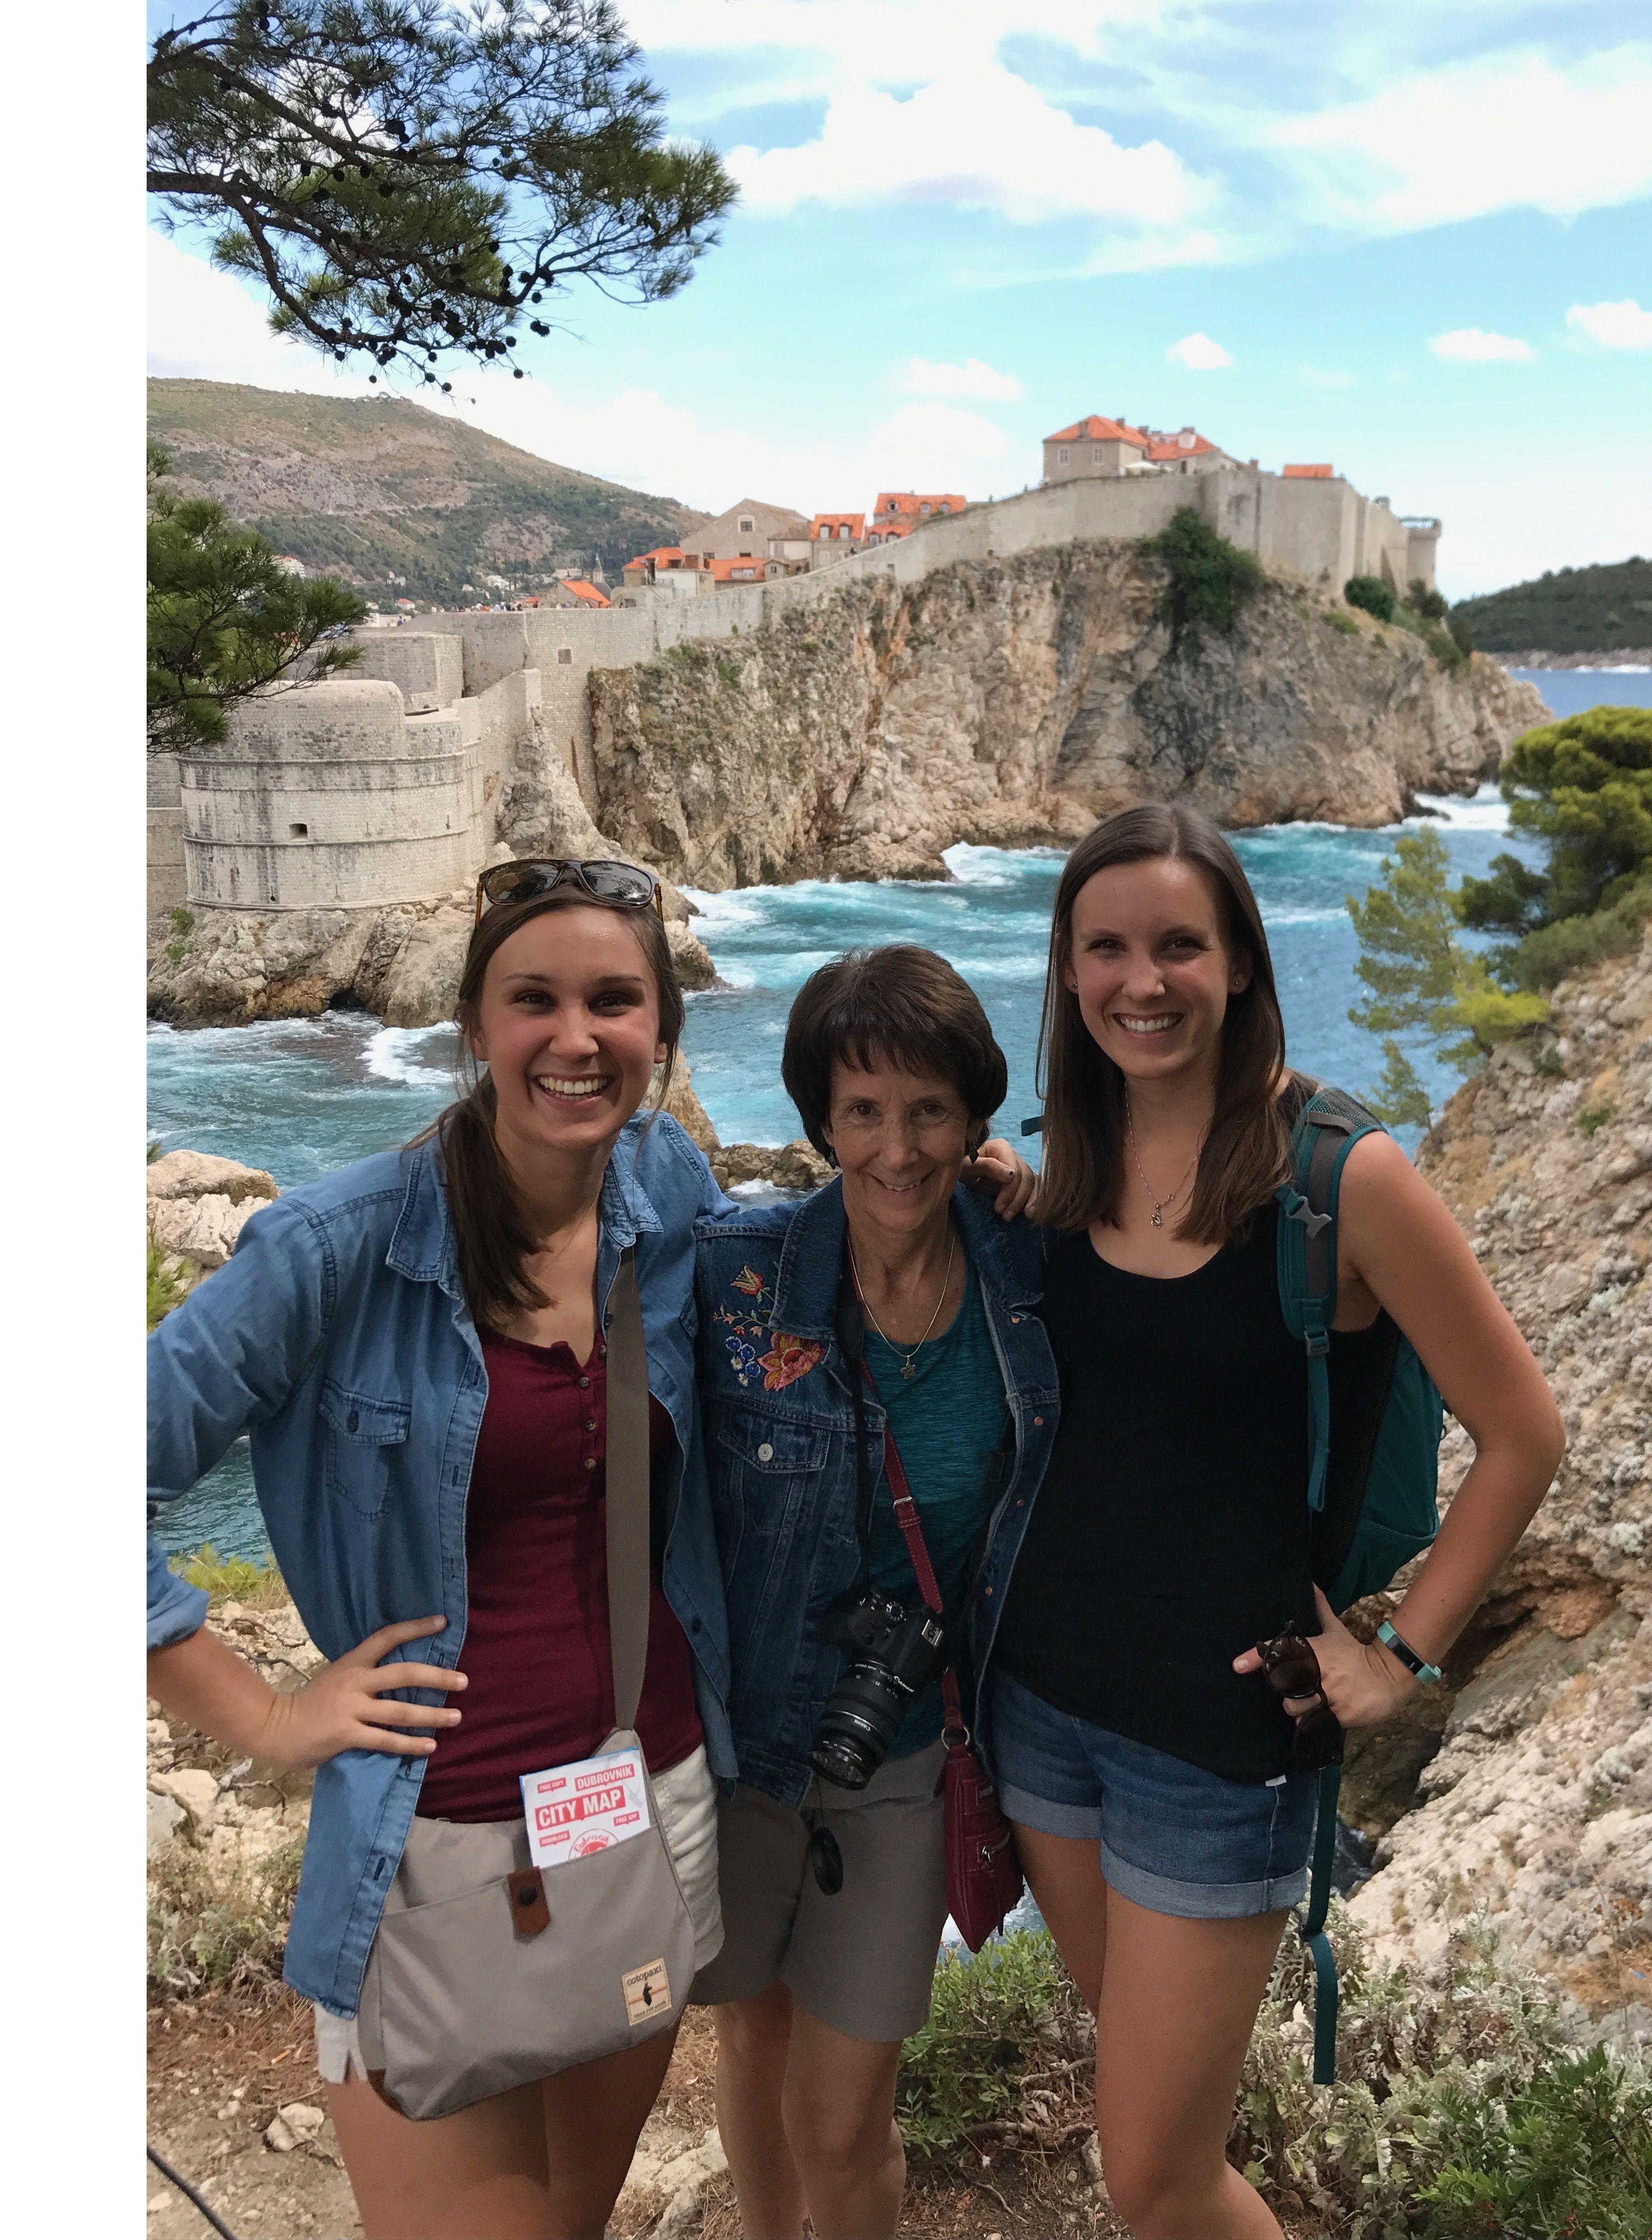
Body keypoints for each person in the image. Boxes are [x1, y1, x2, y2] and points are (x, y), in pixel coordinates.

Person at [988, 804, 1568, 2240]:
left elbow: (1524, 1435)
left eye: (1179, 946)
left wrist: (1404, 1658)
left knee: (1155, 2174)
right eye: (1106, 949)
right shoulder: (1073, 1155)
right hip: (1041, 1708)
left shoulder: (1343, 1179)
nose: (1143, 982)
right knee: (1152, 2117)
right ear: (1067, 971)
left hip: (1221, 1742)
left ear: (1241, 961)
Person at [147, 858, 735, 2240]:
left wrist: (986, 1195)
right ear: (473, 1025)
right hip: (437, 1848)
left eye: (614, 1001)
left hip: (649, 1801)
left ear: (661, 1028)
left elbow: (819, 1284)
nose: (575, 1038)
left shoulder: (669, 1186)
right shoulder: (335, 1247)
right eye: (534, 1001)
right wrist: (266, 1720)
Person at [689, 946, 1056, 2240]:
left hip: (906, 1753)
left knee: (843, 2117)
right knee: (751, 2038)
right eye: (863, 1111)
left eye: (930, 1111)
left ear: (975, 1120)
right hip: (747, 1751)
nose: (897, 1150)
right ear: (820, 1122)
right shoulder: (735, 1276)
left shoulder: (1029, 1278)